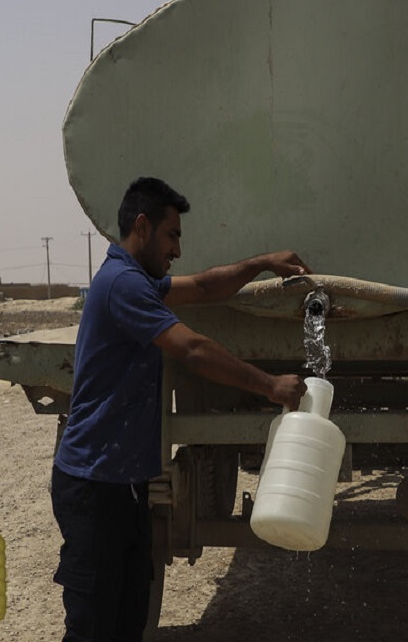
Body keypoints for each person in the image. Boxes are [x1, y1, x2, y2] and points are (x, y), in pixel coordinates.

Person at [51, 176, 311, 642]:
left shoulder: (139, 281)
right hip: (94, 488)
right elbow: (190, 348)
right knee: (93, 627)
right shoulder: (123, 285)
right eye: (173, 236)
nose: (177, 250)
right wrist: (270, 385)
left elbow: (206, 287)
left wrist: (261, 263)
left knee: (128, 620)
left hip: (122, 485)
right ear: (144, 226)